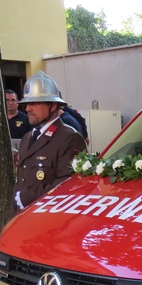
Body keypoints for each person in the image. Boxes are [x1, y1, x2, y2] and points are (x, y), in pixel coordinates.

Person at [13, 71, 87, 211]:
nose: (28, 108)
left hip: (47, 222)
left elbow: (69, 186)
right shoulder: (27, 138)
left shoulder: (69, 138)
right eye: (26, 104)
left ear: (53, 106)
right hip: (21, 220)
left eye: (34, 103)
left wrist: (27, 197)